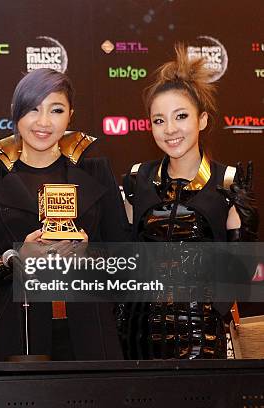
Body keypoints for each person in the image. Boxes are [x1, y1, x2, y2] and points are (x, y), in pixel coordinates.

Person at [0, 68, 130, 361]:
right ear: (15, 114)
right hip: (21, 336)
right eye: (32, 109)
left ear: (70, 115)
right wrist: (16, 257)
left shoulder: (96, 172)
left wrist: (90, 254)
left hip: (92, 335)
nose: (43, 122)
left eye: (56, 110)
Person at [118, 44, 259, 359]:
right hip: (137, 336)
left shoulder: (228, 182)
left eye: (180, 116)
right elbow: (122, 256)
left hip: (200, 337)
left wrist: (245, 229)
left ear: (203, 120)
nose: (170, 129)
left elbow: (239, 274)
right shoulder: (136, 178)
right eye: (158, 120)